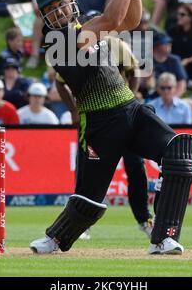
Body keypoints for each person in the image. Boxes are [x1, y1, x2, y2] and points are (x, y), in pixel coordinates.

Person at [29, 0, 192, 255]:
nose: (60, 12)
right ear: (45, 19)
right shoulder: (59, 43)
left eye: (62, 4)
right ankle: (56, 238)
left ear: (72, 3)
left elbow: (129, 21)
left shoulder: (85, 25)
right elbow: (114, 18)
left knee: (179, 154)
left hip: (130, 108)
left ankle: (164, 237)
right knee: (88, 199)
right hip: (100, 123)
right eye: (52, 10)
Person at [55, 34, 155, 240]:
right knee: (87, 170)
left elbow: (134, 72)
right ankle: (81, 224)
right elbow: (59, 82)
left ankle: (145, 220)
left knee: (136, 168)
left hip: (121, 116)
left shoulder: (113, 43)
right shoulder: (73, 47)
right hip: (93, 118)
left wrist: (128, 100)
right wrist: (74, 111)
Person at [152, 31, 188, 97]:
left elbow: (181, 83)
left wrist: (172, 100)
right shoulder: (146, 61)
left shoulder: (174, 60)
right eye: (165, 43)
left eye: (169, 42)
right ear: (156, 46)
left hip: (171, 97)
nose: (169, 44)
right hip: (149, 98)